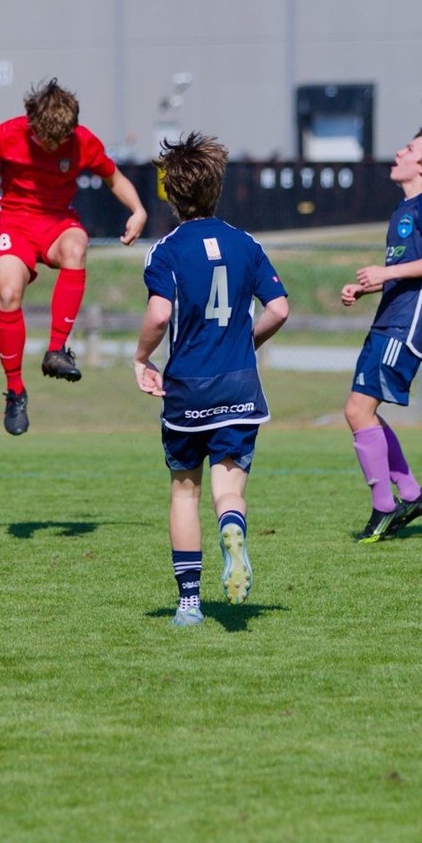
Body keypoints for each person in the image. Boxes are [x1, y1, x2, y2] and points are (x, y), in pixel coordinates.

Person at [0, 78, 147, 435]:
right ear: (32, 124)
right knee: (8, 293)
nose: (53, 145)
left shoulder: (82, 141)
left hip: (57, 222)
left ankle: (56, 350)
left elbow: (114, 178)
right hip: (15, 224)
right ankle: (16, 391)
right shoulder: (6, 136)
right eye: (46, 139)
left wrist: (138, 210)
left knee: (76, 246)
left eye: (60, 140)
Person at [133, 133, 289, 626]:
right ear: (216, 187)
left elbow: (160, 314)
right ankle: (231, 527)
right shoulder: (247, 244)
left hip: (188, 388)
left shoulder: (166, 250)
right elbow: (279, 308)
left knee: (185, 491)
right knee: (228, 489)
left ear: (171, 193)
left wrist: (141, 357)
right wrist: (247, 342)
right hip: (239, 386)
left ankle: (189, 604)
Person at [341, 121, 422, 543]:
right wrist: (368, 286)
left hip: (406, 323)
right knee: (362, 411)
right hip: (388, 318)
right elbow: (408, 269)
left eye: (409, 149)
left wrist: (384, 272)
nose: (399, 153)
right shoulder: (403, 211)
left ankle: (385, 507)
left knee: (358, 410)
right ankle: (411, 495)